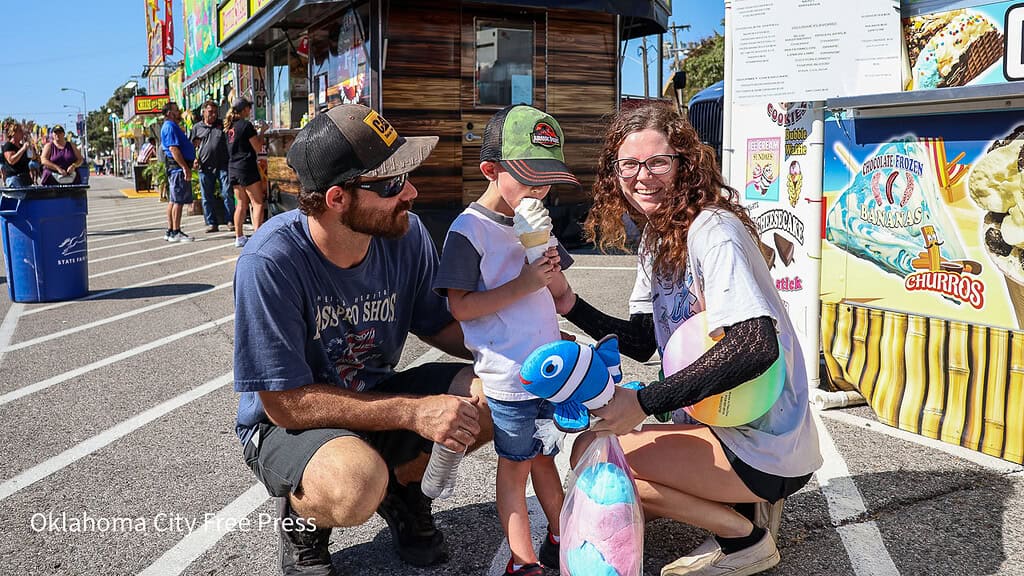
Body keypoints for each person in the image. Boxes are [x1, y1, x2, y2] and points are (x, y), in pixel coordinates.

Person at [555, 102, 822, 576]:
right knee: (597, 457)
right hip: (722, 425)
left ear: (685, 164)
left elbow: (755, 344)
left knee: (602, 466)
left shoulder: (711, 231)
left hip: (766, 444)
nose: (643, 176)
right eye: (629, 164)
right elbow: (640, 341)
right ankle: (740, 508)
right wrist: (569, 304)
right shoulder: (657, 238)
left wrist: (643, 403)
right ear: (614, 172)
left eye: (658, 161)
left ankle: (745, 539)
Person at [233, 103, 493, 576]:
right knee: (355, 485)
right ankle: (304, 521)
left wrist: (526, 353)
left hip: (375, 397)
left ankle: (402, 490)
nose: (410, 193)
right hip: (288, 425)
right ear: (337, 198)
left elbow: (439, 325)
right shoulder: (270, 262)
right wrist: (415, 413)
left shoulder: (407, 234)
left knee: (497, 395)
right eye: (391, 184)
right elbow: (284, 404)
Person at [432, 104, 577, 576]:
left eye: (547, 181)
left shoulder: (535, 227)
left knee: (545, 461)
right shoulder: (469, 231)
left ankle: (564, 538)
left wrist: (547, 263)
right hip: (508, 378)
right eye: (530, 179)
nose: (540, 192)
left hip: (549, 371)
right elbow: (460, 307)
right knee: (516, 466)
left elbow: (561, 298)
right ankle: (523, 561)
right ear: (491, 170)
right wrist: (526, 282)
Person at [225, 97, 267, 248]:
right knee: (258, 203)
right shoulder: (246, 125)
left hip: (233, 168)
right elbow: (257, 147)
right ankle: (257, 238)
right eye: (249, 108)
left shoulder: (229, 127)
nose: (250, 110)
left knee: (241, 204)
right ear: (244, 110)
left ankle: (239, 237)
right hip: (246, 166)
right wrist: (262, 131)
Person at [190, 100, 235, 233]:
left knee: (227, 193)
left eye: (215, 112)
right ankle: (211, 223)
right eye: (210, 112)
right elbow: (192, 146)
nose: (213, 115)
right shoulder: (197, 128)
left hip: (222, 165)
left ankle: (230, 220)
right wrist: (193, 160)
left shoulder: (222, 125)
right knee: (206, 196)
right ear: (203, 112)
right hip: (205, 167)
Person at [160, 101, 197, 243]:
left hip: (176, 168)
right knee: (178, 201)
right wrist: (184, 167)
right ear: (169, 113)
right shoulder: (169, 127)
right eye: (176, 110)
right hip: (176, 169)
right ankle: (175, 231)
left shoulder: (172, 126)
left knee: (173, 200)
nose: (179, 112)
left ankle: (171, 230)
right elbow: (173, 149)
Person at [2, 120, 34, 187]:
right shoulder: (8, 145)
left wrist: (30, 147)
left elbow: (32, 157)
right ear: (13, 133)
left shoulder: (23, 146)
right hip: (14, 178)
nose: (22, 133)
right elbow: (11, 161)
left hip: (26, 177)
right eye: (20, 131)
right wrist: (22, 149)